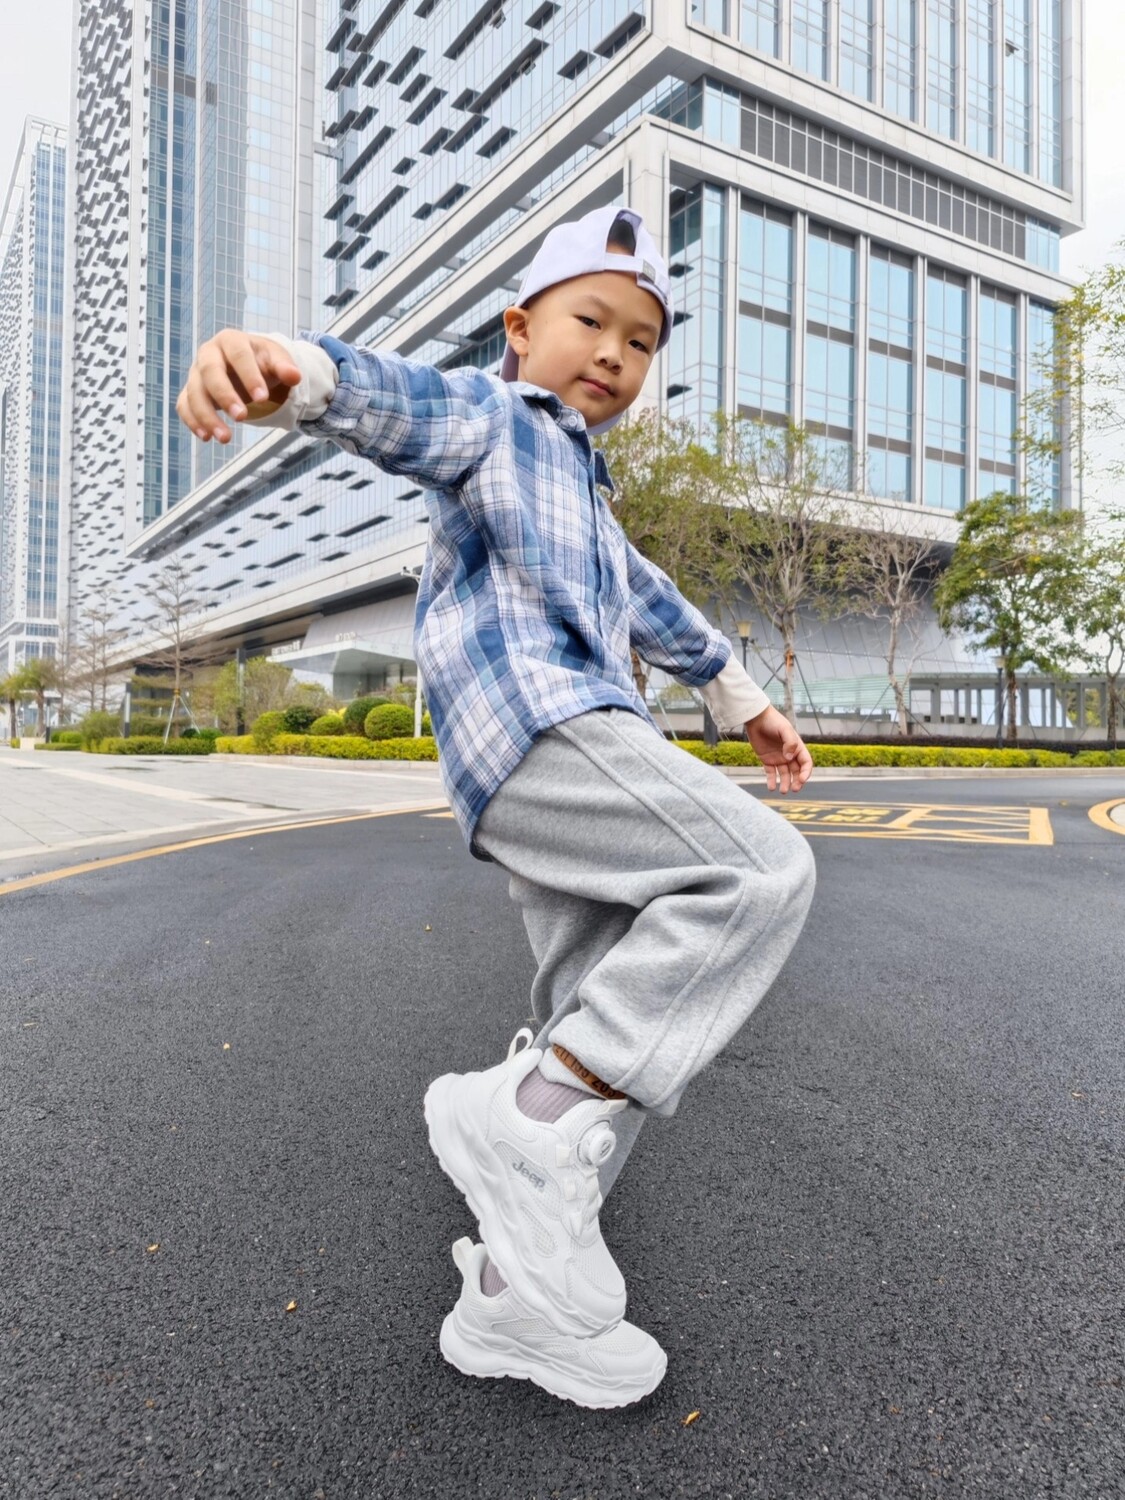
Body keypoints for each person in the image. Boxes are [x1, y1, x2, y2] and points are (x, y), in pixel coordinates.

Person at [177, 205, 817, 1410]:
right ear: (520, 329)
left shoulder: (591, 496)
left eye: (641, 341)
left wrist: (744, 701)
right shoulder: (500, 419)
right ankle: (516, 1113)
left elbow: (659, 605)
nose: (615, 354)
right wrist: (288, 369)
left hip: (542, 768)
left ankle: (520, 1300)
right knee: (756, 871)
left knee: (597, 1010)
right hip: (544, 724)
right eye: (591, 321)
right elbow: (402, 402)